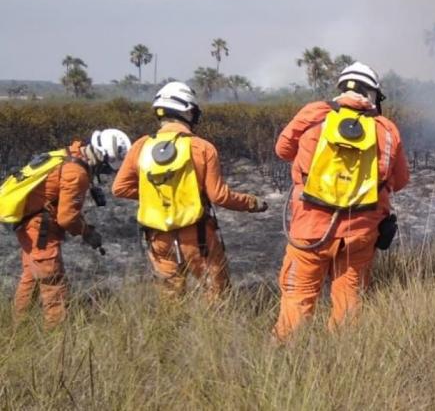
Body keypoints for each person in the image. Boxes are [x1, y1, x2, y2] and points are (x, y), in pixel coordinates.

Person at [273, 62, 409, 340]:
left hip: (310, 230)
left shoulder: (313, 113)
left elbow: (283, 149)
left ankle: (283, 357)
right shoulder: (385, 130)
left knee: (298, 298)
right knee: (349, 302)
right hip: (359, 235)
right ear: (373, 95)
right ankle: (342, 360)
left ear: (341, 88)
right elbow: (400, 181)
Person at [112, 81, 268, 299]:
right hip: (198, 236)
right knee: (216, 295)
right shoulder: (202, 147)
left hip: (157, 237)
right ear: (188, 111)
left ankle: (170, 332)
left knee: (170, 298)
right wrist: (251, 203)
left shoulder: (140, 146)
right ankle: (214, 332)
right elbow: (219, 195)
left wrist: (156, 192)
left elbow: (120, 188)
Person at [4, 128, 131, 327]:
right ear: (101, 156)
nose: (104, 172)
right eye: (106, 168)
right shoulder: (76, 173)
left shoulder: (69, 154)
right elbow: (67, 217)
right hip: (41, 229)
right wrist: (88, 233)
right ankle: (56, 333)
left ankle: (19, 327)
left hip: (30, 225)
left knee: (32, 276)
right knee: (52, 279)